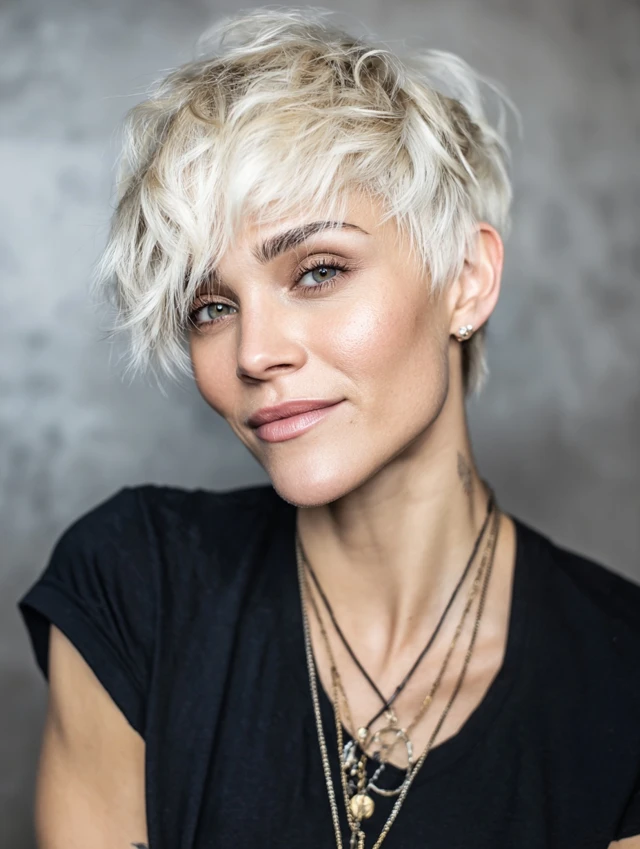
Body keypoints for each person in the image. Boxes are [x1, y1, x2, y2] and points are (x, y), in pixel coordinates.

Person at [17, 7, 640, 849]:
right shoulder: (133, 587)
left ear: (465, 278)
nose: (255, 352)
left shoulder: (622, 679)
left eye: (317, 271)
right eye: (210, 307)